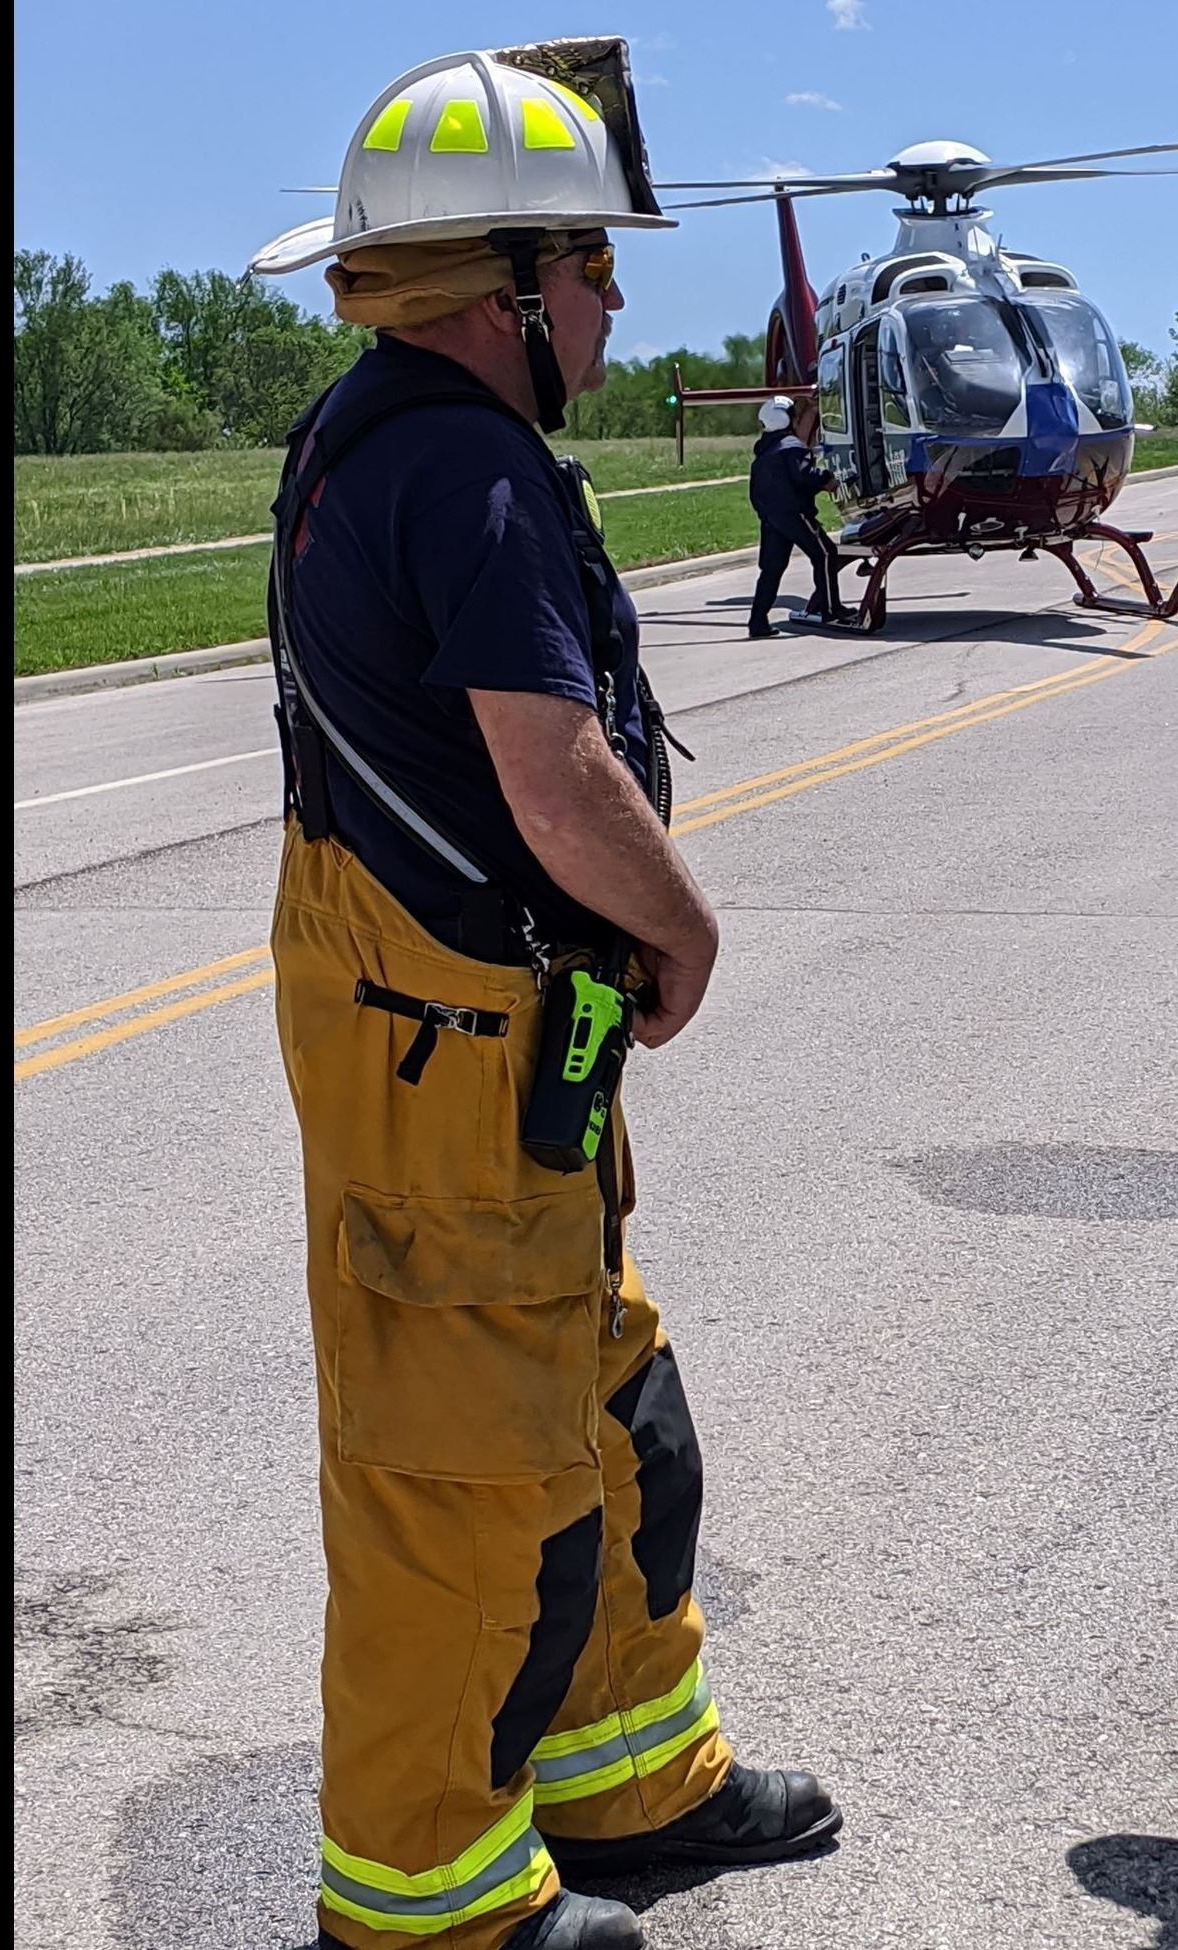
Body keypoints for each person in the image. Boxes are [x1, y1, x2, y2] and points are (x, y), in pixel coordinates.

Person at [245, 46, 839, 1950]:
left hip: (487, 1051)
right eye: (588, 269)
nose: (607, 302)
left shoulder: (381, 434)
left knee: (600, 1414)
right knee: (455, 1479)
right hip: (454, 1049)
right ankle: (426, 1901)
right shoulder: (465, 467)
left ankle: (625, 1780)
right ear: (503, 290)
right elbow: (556, 775)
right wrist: (687, 928)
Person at [745, 395, 843, 635]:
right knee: (826, 554)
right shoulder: (792, 447)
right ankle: (831, 610)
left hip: (771, 519)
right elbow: (804, 475)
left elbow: (755, 491)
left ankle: (757, 622)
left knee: (772, 569)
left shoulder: (764, 452)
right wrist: (826, 480)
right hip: (795, 514)